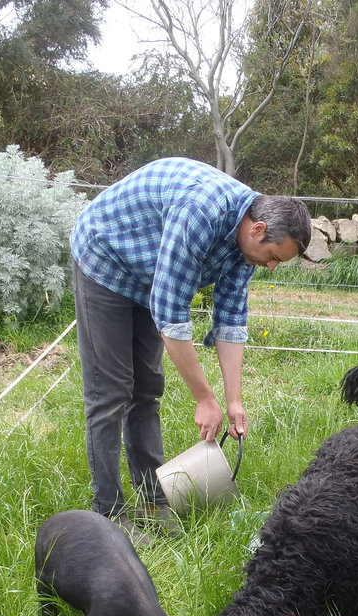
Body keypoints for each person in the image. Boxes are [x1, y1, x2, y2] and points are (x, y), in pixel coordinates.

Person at [70, 157, 311, 545]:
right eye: (273, 257)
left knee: (146, 388)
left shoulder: (246, 244)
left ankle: (152, 500)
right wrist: (204, 397)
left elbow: (231, 320)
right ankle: (109, 514)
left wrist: (233, 400)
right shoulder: (202, 212)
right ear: (258, 229)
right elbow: (170, 312)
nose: (270, 266)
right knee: (111, 392)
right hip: (105, 258)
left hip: (148, 274)